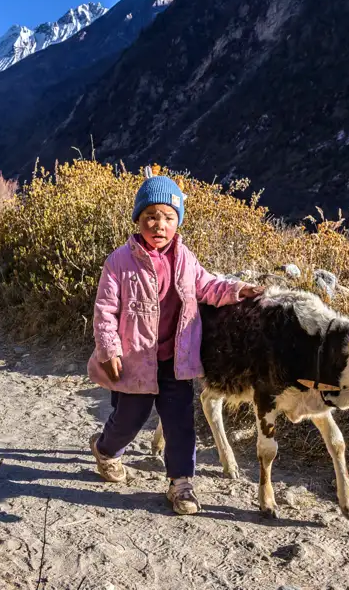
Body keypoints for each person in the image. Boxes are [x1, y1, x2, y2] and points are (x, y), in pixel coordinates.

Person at [87, 170, 263, 515]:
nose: (159, 224)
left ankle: (181, 483)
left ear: (177, 222)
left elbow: (208, 286)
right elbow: (105, 310)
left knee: (181, 423)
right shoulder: (119, 261)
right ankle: (106, 450)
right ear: (138, 219)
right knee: (129, 420)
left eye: (168, 217)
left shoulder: (185, 259)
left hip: (175, 361)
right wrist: (109, 348)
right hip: (134, 360)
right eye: (151, 216)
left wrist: (238, 290)